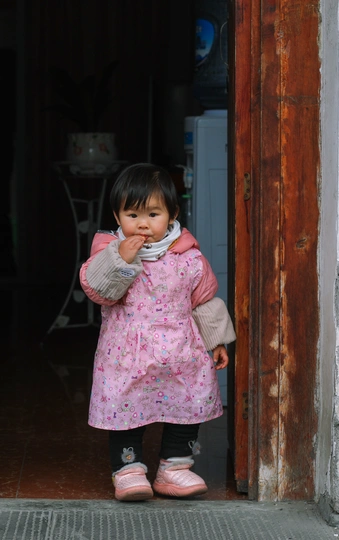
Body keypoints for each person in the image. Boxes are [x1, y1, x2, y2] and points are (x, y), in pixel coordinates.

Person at [79, 163, 236, 501]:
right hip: (127, 355)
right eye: (132, 214)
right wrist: (122, 259)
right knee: (126, 409)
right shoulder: (109, 252)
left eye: (153, 214)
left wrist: (217, 340)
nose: (143, 224)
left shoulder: (188, 256)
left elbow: (202, 299)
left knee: (187, 404)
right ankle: (129, 470)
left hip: (181, 353)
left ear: (172, 214)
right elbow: (99, 290)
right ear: (117, 216)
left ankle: (175, 468)